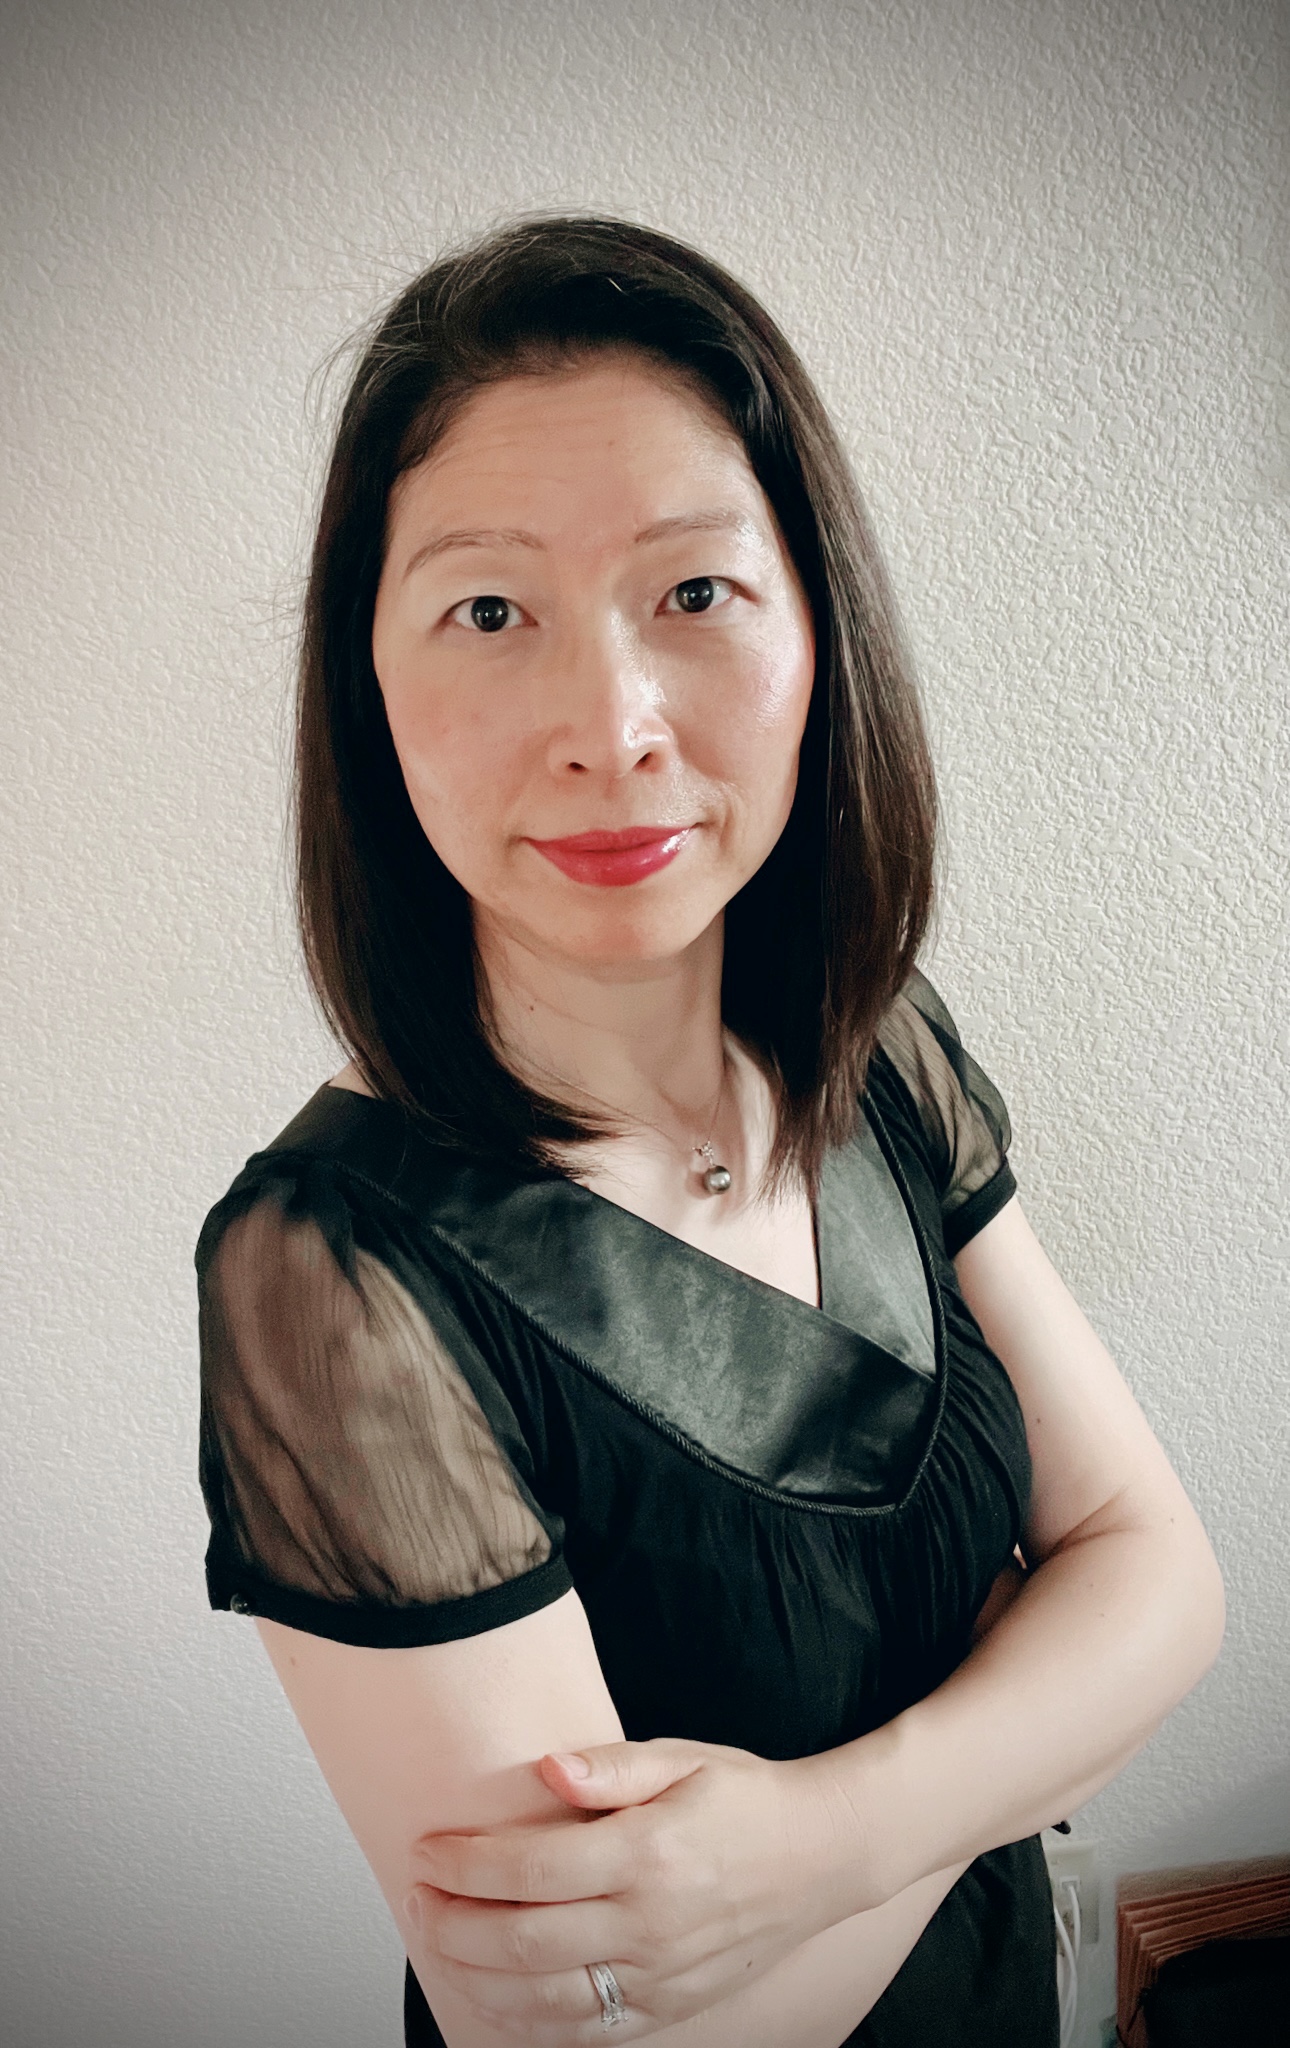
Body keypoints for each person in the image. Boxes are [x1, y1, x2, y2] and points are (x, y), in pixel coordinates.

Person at [195, 216, 1225, 2048]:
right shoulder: (330, 1275)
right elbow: (601, 2030)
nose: (609, 729)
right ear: (368, 684)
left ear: (818, 626)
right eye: (488, 612)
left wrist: (809, 1844)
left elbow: (1163, 1574)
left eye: (692, 593)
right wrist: (1028, 1709)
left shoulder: (874, 1039)